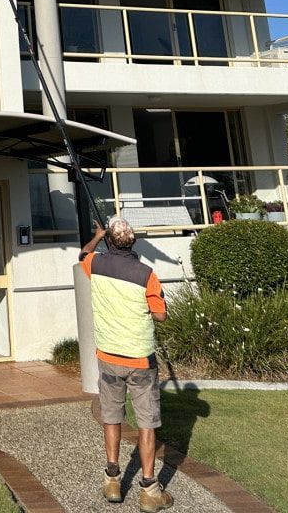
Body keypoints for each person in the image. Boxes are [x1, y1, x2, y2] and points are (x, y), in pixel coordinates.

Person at [79, 216, 173, 511]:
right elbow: (160, 315)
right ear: (134, 242)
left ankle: (112, 480)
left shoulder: (95, 265)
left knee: (111, 416)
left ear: (109, 241)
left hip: (108, 357)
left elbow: (83, 253)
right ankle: (149, 489)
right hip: (140, 359)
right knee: (146, 422)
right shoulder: (146, 274)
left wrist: (97, 235)